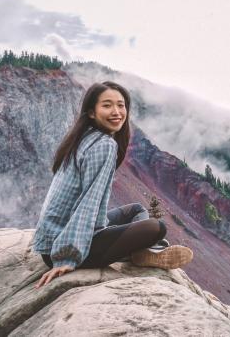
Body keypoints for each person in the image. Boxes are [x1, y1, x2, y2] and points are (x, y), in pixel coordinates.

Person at [32, 81, 192, 288]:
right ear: (91, 112)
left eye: (121, 105)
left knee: (136, 209)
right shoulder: (104, 145)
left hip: (54, 238)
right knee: (156, 227)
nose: (116, 111)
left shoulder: (83, 138)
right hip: (61, 247)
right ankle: (145, 252)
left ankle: (142, 252)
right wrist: (67, 257)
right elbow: (88, 203)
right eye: (107, 105)